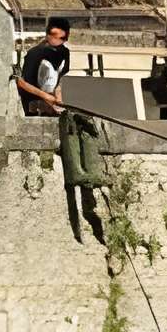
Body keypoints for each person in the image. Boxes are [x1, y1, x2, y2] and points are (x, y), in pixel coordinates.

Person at [14, 18, 106, 244]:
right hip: (33, 102)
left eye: (62, 37)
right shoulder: (35, 54)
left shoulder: (64, 54)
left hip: (50, 101)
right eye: (54, 35)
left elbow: (59, 82)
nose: (58, 40)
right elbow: (21, 83)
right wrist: (44, 97)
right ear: (48, 34)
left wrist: (59, 101)